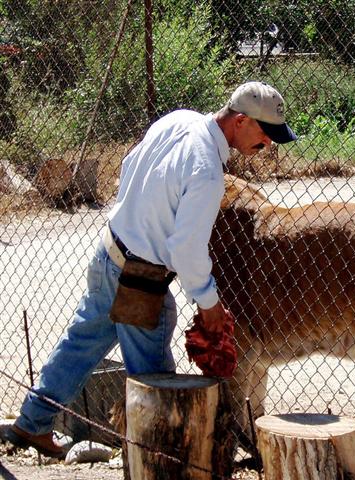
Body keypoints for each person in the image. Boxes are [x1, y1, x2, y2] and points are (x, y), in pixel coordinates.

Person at [3, 81, 297, 458]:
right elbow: (186, 251)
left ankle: (31, 422)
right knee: (157, 383)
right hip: (140, 280)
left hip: (110, 250)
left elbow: (129, 166)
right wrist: (209, 305)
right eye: (265, 134)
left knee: (80, 343)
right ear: (240, 121)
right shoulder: (208, 171)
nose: (268, 144)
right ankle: (165, 457)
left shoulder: (179, 120)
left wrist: (142, 218)